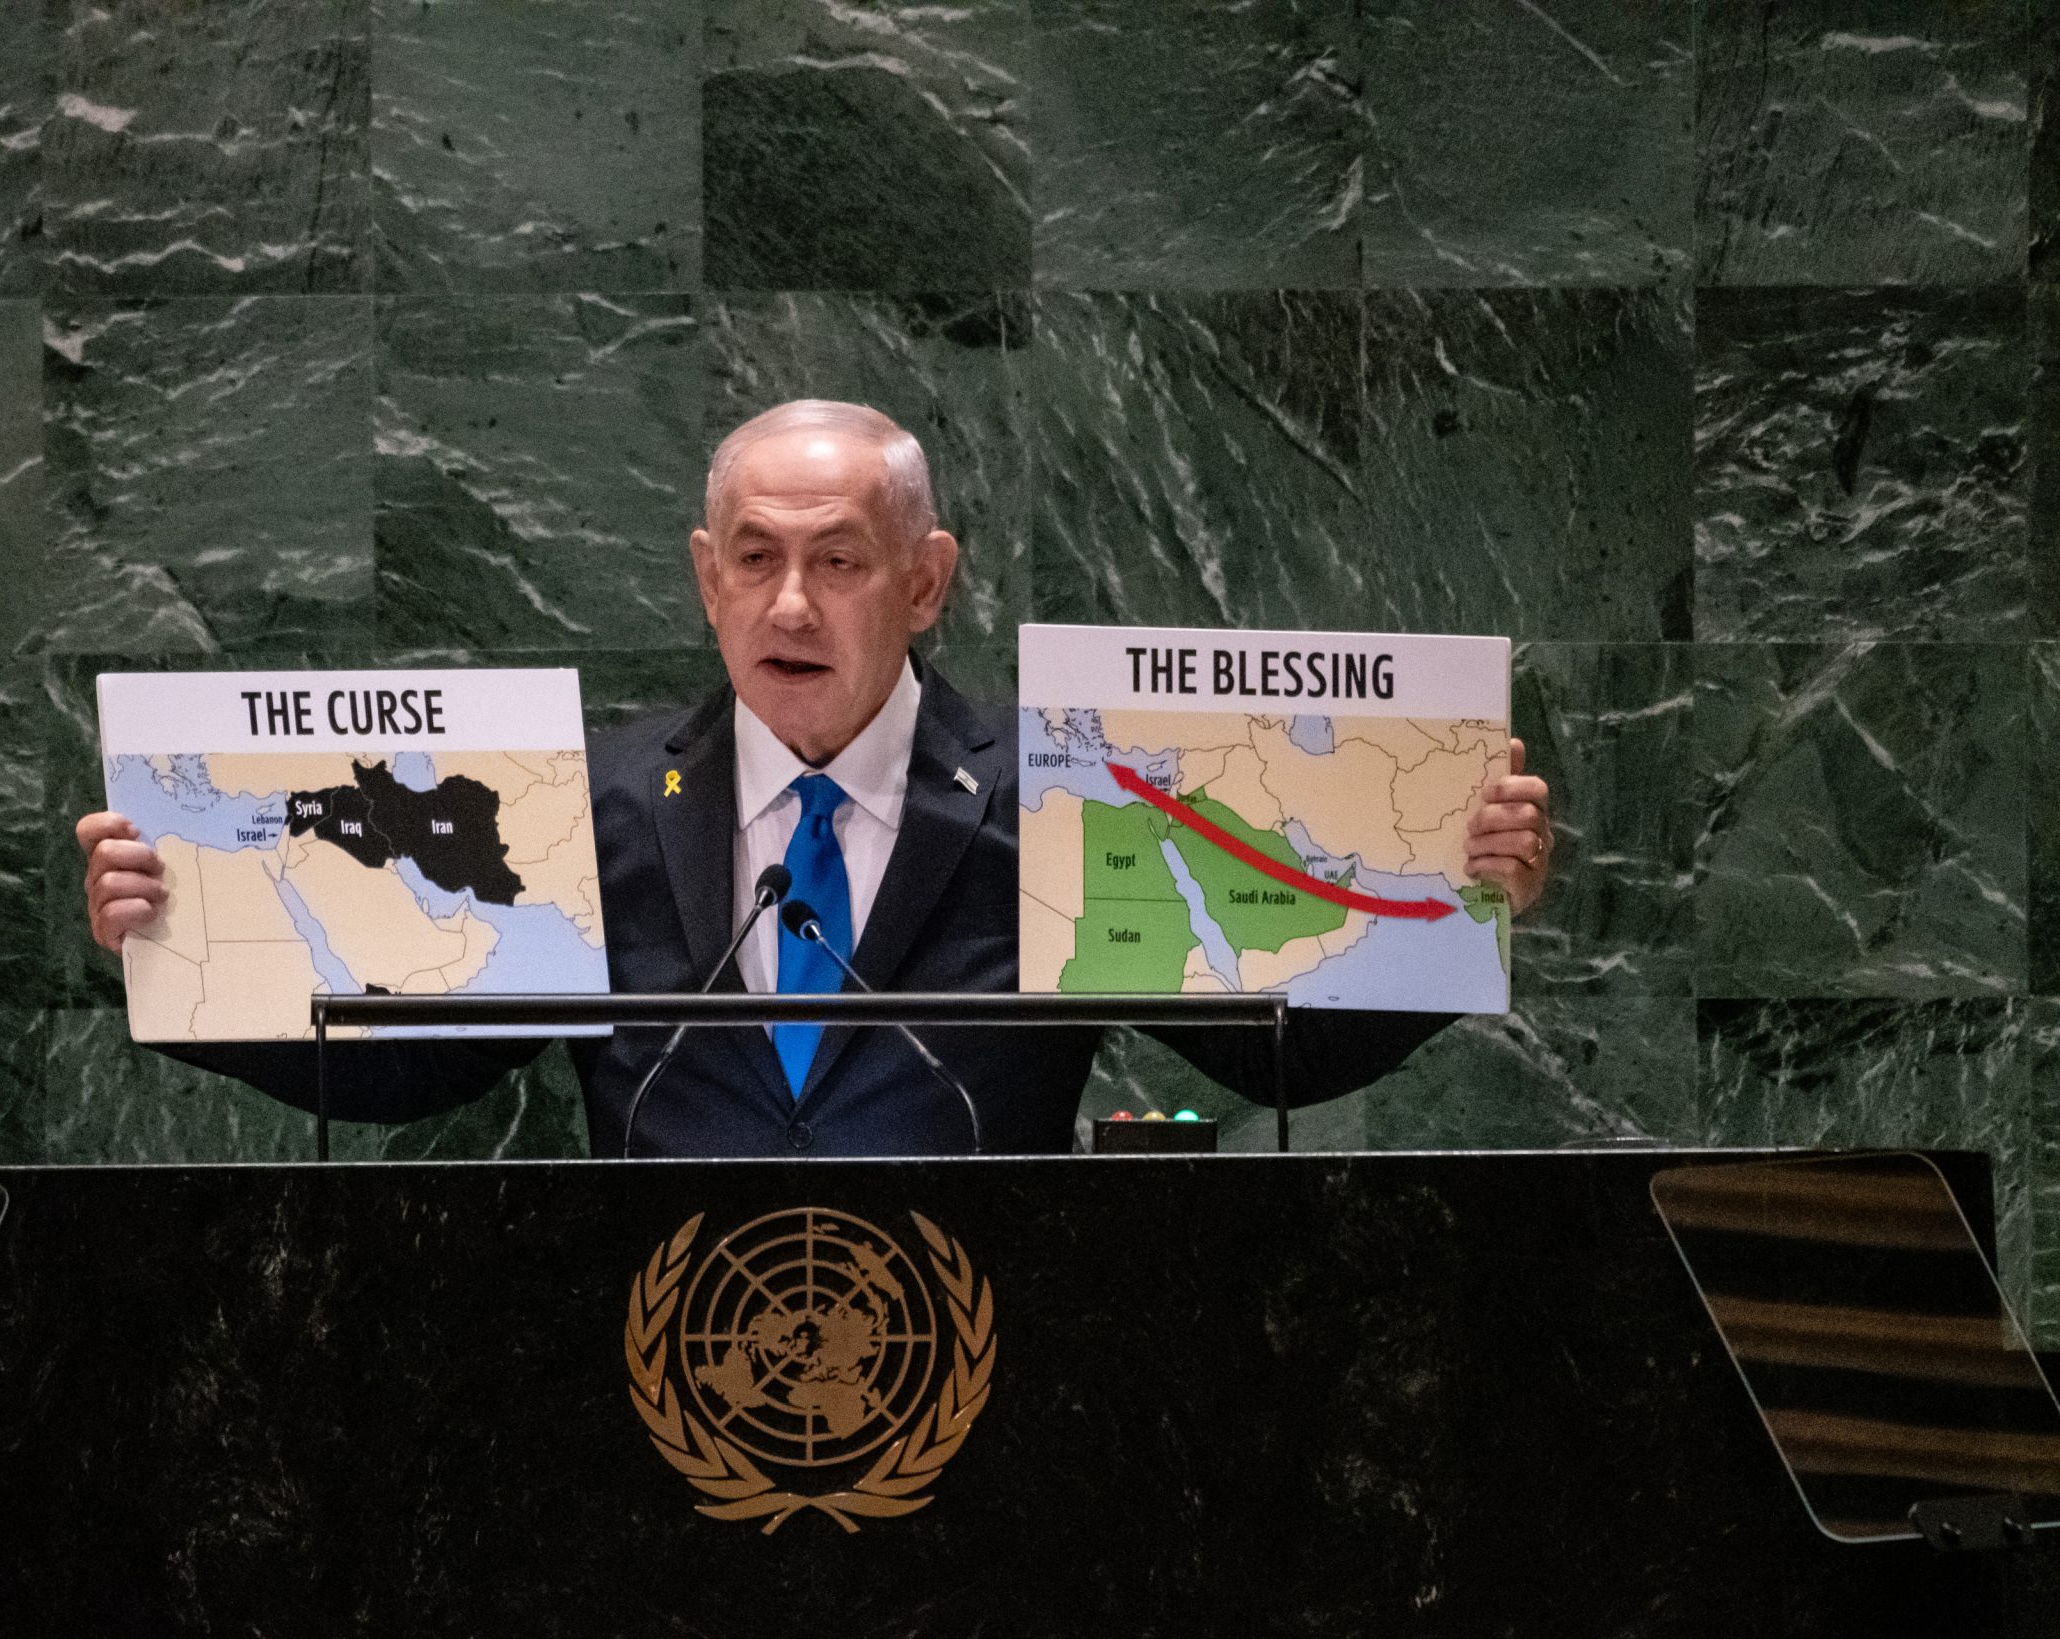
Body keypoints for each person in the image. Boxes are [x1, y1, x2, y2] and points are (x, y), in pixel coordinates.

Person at [75, 401, 1554, 1157]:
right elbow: (423, 1063)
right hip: (658, 1372)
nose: (793, 606)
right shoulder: (589, 803)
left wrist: (1447, 907)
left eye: (839, 562)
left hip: (982, 1370)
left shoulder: (1063, 797)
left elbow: (1266, 1054)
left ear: (922, 584)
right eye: (758, 563)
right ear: (707, 581)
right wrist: (183, 949)